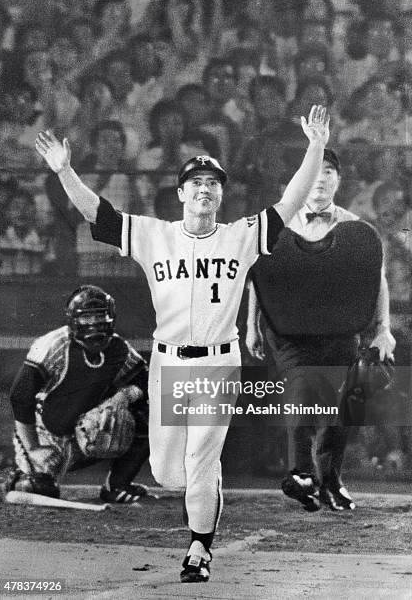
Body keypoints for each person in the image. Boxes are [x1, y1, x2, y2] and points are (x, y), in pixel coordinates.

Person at [35, 104, 330, 583]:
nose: (205, 188)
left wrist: (315, 146)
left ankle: (199, 551)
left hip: (218, 364)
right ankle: (203, 487)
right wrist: (65, 170)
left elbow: (292, 200)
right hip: (168, 364)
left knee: (200, 461)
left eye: (213, 183)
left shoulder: (241, 236)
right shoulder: (155, 236)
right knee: (169, 472)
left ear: (220, 195)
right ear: (180, 193)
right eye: (196, 182)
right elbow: (100, 215)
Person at [246, 148, 396, 512]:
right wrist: (250, 325)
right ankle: (300, 473)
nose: (321, 178)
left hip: (341, 332)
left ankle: (330, 480)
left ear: (338, 180)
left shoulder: (357, 230)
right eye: (314, 170)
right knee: (304, 387)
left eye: (329, 171)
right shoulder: (275, 227)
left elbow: (376, 282)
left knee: (343, 406)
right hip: (289, 333)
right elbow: (258, 280)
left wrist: (384, 329)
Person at [9, 285, 151, 504]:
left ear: (111, 318)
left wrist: (122, 397)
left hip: (86, 435)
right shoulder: (52, 346)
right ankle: (16, 472)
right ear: (73, 320)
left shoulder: (118, 348)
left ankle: (117, 485)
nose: (94, 324)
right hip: (46, 436)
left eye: (99, 316)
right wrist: (33, 447)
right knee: (36, 489)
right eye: (87, 318)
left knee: (148, 414)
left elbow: (145, 380)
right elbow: (20, 396)